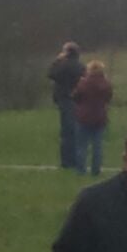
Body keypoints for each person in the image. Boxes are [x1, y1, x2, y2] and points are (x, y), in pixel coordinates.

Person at [71, 61, 114, 176]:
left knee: (82, 146)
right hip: (100, 117)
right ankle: (96, 170)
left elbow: (75, 97)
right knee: (97, 146)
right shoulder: (106, 84)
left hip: (83, 117)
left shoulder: (83, 83)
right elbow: (108, 98)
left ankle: (81, 170)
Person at [49, 42, 87, 170]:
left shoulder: (63, 66)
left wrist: (57, 60)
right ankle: (77, 160)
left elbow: (51, 74)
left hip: (64, 99)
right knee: (76, 130)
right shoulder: (81, 66)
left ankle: (66, 161)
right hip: (77, 100)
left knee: (66, 132)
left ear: (67, 52)